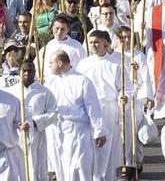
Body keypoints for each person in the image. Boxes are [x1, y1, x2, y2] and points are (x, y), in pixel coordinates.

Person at [75, 29, 133, 180]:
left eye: (96, 42)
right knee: (91, 145)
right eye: (91, 42)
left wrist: (123, 96)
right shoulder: (83, 64)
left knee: (108, 145)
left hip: (109, 108)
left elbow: (126, 87)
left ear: (104, 43)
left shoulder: (115, 63)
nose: (93, 45)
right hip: (89, 109)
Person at [45, 50, 106, 181]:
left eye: (51, 63)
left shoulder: (82, 80)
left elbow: (93, 108)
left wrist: (99, 131)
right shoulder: (50, 82)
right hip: (56, 131)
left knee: (79, 168)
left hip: (78, 132)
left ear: (60, 63)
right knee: (61, 167)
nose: (49, 65)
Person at [14, 60, 57, 181]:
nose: (27, 73)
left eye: (30, 71)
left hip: (37, 137)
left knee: (37, 168)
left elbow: (54, 113)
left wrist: (34, 122)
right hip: (17, 137)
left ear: (35, 72)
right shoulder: (13, 91)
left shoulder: (44, 92)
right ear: (19, 73)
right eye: (24, 71)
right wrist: (17, 124)